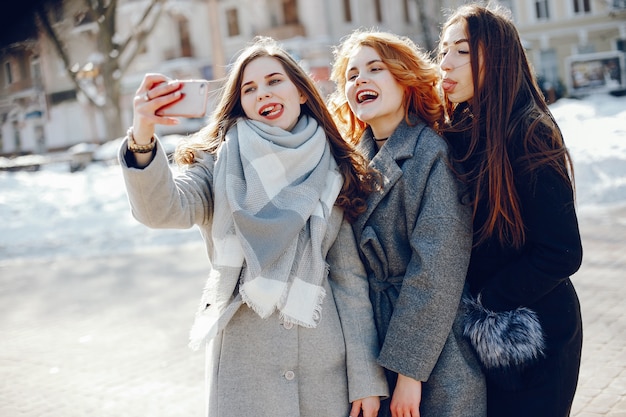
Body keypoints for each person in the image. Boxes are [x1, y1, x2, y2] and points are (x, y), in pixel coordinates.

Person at [118, 37, 389, 417]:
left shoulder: (332, 169)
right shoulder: (220, 163)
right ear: (241, 103)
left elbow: (349, 282)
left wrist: (365, 379)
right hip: (246, 375)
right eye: (249, 88)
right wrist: (143, 135)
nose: (262, 93)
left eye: (274, 81)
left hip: (325, 375)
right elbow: (163, 210)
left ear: (301, 91)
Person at [328, 29, 486, 417]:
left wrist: (409, 375)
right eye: (351, 75)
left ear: (404, 79)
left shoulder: (431, 154)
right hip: (370, 342)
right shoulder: (351, 164)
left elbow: (435, 270)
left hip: (432, 349)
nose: (359, 79)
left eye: (374, 68)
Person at [438, 4, 584, 417]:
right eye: (443, 51)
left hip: (537, 334)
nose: (445, 63)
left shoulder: (528, 131)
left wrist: (484, 301)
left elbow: (562, 252)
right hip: (482, 339)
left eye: (462, 52)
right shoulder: (458, 132)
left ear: (497, 57)